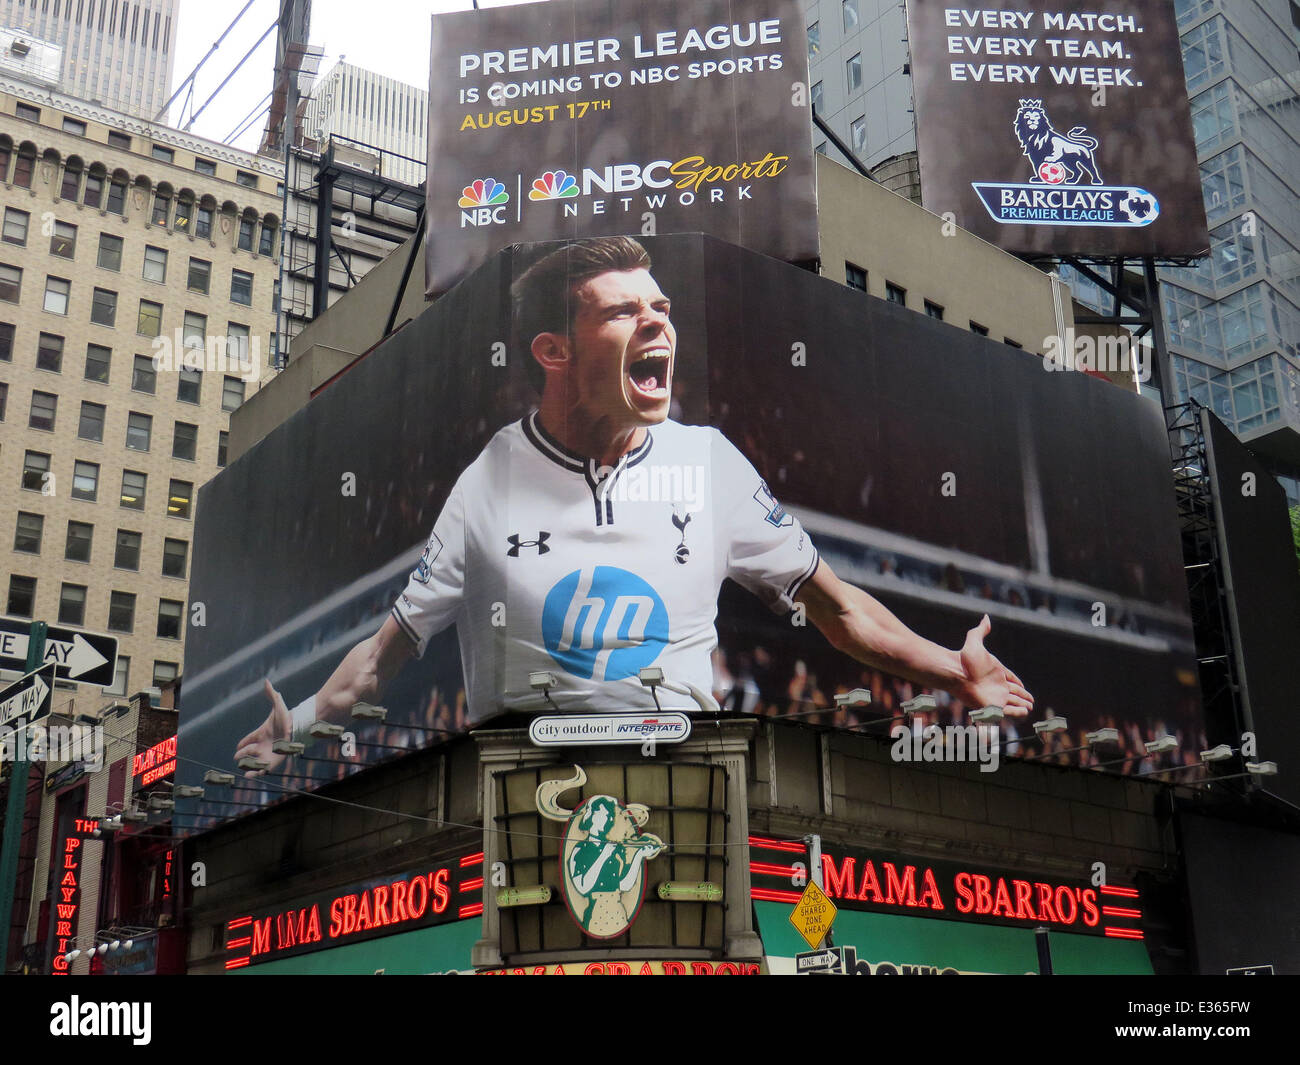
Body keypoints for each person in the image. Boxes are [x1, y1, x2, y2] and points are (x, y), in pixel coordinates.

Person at [236, 236, 1033, 773]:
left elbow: (837, 610)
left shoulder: (707, 462)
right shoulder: (490, 482)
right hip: (532, 794)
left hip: (688, 789)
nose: (657, 321)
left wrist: (950, 670)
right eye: (624, 311)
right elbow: (387, 652)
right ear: (555, 350)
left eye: (662, 309)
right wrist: (297, 722)